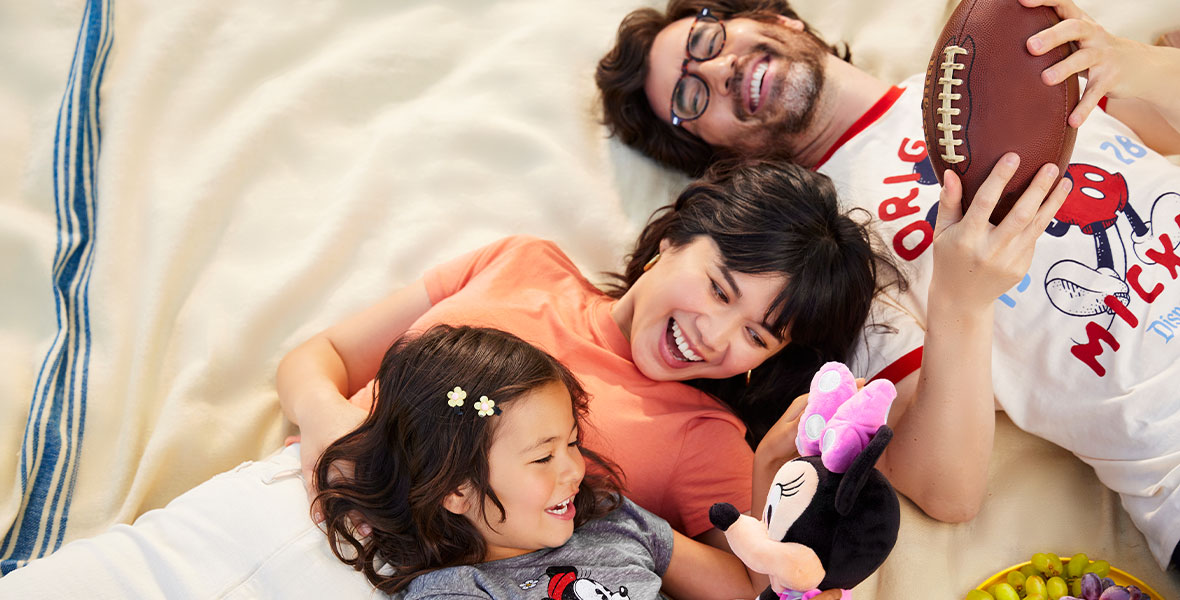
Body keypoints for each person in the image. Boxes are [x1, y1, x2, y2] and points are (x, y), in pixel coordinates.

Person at [0, 160, 887, 598]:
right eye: (720, 288)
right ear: (669, 241)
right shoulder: (522, 262)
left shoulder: (704, 437)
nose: (716, 334)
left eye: (759, 336)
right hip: (286, 497)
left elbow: (739, 588)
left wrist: (618, 513)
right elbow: (315, 360)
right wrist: (328, 431)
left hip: (419, 582)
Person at [596, 0, 1180, 570]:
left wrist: (1132, 62)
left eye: (707, 39)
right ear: (715, 155)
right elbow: (946, 491)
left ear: (777, 18)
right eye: (689, 97)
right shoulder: (827, 261)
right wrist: (962, 302)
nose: (719, 70)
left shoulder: (986, 63)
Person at [316, 323, 805, 598]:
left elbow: (747, 592)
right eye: (543, 457)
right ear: (456, 490)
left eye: (572, 442)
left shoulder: (614, 520)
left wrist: (769, 466)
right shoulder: (458, 591)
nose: (573, 470)